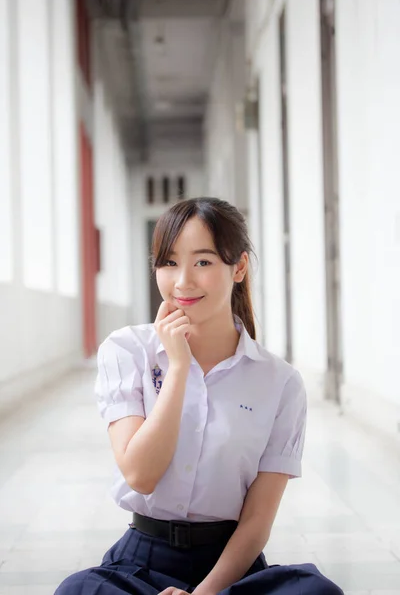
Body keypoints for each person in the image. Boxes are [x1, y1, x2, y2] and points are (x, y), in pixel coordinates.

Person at [55, 197, 343, 595]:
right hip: (142, 561)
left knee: (316, 592)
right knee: (78, 591)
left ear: (238, 267)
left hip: (231, 569)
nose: (182, 281)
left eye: (203, 262)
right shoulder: (126, 350)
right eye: (169, 262)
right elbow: (141, 475)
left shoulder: (279, 382)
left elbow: (257, 523)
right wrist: (177, 367)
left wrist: (205, 594)